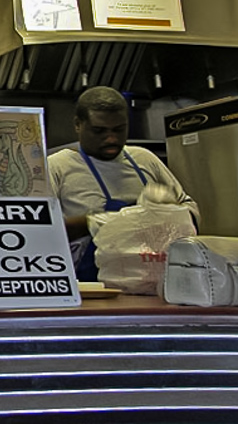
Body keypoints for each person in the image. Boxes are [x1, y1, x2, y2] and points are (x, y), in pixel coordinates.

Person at [47, 86, 199, 281]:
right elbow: (45, 232)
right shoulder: (58, 166)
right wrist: (98, 222)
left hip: (154, 284)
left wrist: (168, 211)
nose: (111, 138)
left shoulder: (145, 159)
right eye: (99, 131)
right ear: (78, 124)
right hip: (91, 287)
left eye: (119, 129)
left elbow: (192, 213)